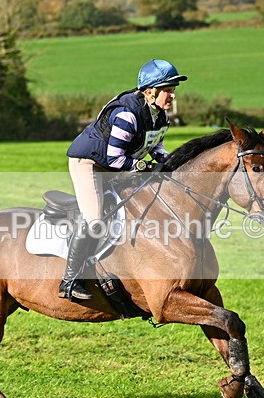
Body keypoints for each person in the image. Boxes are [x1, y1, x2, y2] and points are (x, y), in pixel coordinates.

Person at [60, 59, 188, 300]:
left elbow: (156, 147)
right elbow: (115, 159)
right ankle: (70, 280)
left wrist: (174, 165)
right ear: (150, 91)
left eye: (173, 90)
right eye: (168, 90)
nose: (172, 96)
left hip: (115, 165)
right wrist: (148, 167)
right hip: (90, 164)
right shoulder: (127, 114)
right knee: (95, 218)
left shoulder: (160, 116)